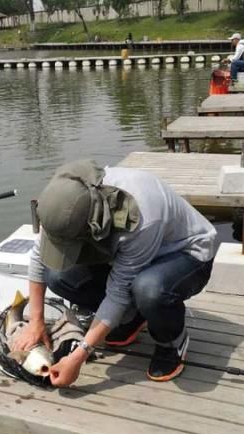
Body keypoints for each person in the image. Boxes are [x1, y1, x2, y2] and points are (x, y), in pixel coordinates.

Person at [12, 160, 217, 387]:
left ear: (91, 225)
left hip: (185, 253)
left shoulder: (141, 217)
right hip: (131, 255)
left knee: (148, 289)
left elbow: (118, 292)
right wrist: (36, 322)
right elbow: (39, 257)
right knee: (58, 276)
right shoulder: (62, 203)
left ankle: (172, 342)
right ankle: (134, 317)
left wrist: (78, 357)